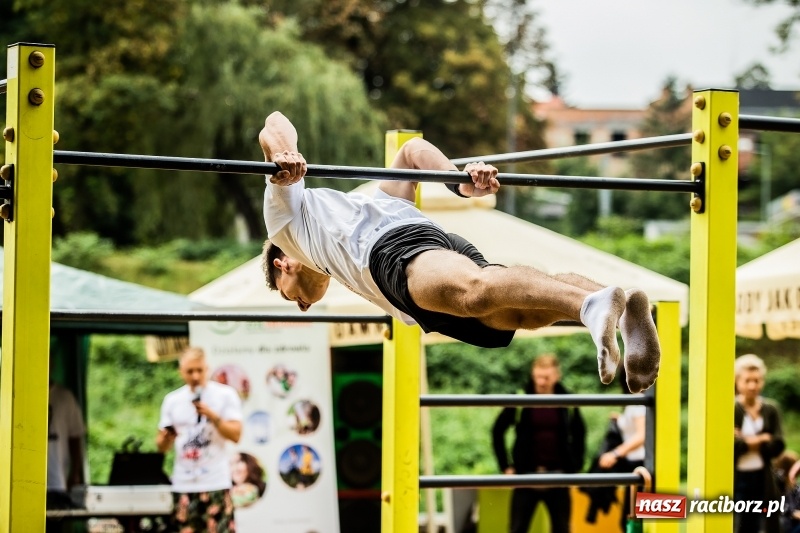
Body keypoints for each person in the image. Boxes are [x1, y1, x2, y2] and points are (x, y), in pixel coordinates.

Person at [258, 111, 661, 393]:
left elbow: (274, 123)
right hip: (427, 256)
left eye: (290, 297)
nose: (303, 307)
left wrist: (282, 155)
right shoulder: (371, 206)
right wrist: (460, 183)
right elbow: (412, 152)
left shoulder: (285, 224)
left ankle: (592, 306)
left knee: (477, 290)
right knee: (519, 312)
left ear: (283, 264)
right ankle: (620, 309)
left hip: (391, 253)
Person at [491, 354, 586, 533]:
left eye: (546, 378)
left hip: (559, 476)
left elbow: (579, 433)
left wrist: (575, 468)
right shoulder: (520, 397)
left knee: (562, 529)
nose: (541, 382)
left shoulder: (568, 400)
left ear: (557, 376)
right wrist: (505, 466)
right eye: (538, 377)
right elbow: (497, 431)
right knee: (517, 529)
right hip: (525, 475)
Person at [156, 347, 243, 533]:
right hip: (184, 483)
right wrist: (166, 438)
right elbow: (161, 447)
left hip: (216, 482)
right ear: (181, 372)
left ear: (207, 369)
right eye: (190, 371)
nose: (195, 376)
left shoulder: (225, 395)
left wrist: (212, 416)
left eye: (199, 370)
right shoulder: (172, 400)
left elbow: (236, 435)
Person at [733, 354, 785, 533]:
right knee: (740, 523)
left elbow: (778, 445)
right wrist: (762, 438)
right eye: (747, 380)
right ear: (737, 381)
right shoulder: (731, 408)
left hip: (763, 476)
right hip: (738, 476)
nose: (752, 386)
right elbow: (731, 447)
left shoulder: (771, 409)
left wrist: (744, 440)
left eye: (756, 380)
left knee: (765, 522)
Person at [595, 367, 646, 532]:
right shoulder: (638, 399)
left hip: (640, 466)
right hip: (636, 465)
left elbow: (641, 435)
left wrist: (615, 453)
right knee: (633, 519)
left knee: (633, 520)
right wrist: (621, 419)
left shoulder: (638, 400)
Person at [46, 357, 86, 532]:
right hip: (25, 483)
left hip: (57, 481)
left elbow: (75, 437)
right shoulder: (19, 394)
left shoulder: (65, 397)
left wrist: (75, 473)